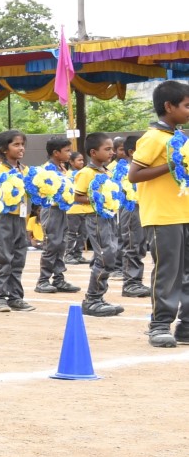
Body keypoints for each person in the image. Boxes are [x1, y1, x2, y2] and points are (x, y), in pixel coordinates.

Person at [126, 80, 189, 346]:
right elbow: (134, 175)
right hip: (164, 216)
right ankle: (159, 324)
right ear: (169, 106)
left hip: (184, 212)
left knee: (186, 272)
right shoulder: (153, 138)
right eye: (187, 105)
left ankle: (185, 326)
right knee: (168, 272)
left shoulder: (180, 138)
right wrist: (170, 165)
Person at [72, 133, 124, 318]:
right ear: (93, 152)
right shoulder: (86, 173)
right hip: (95, 218)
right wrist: (99, 201)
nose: (111, 153)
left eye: (112, 149)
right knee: (104, 256)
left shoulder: (107, 172)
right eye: (107, 149)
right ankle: (92, 299)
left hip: (109, 217)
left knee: (111, 253)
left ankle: (99, 297)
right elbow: (77, 196)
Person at [0, 130, 34, 313]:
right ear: (3, 149)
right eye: (16, 144)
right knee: (4, 257)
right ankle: (0, 296)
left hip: (21, 218)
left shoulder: (26, 170)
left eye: (22, 144)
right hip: (3, 218)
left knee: (19, 258)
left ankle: (15, 296)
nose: (21, 148)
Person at [34, 138, 81, 295]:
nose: (70, 153)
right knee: (52, 244)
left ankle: (59, 279)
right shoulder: (46, 170)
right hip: (51, 210)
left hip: (62, 211)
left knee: (61, 244)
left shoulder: (62, 169)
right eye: (67, 150)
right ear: (56, 153)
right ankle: (43, 280)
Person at [114, 135, 149, 298]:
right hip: (130, 209)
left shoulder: (141, 170)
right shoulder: (123, 170)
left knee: (140, 245)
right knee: (132, 244)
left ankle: (136, 281)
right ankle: (131, 283)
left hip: (142, 208)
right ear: (132, 152)